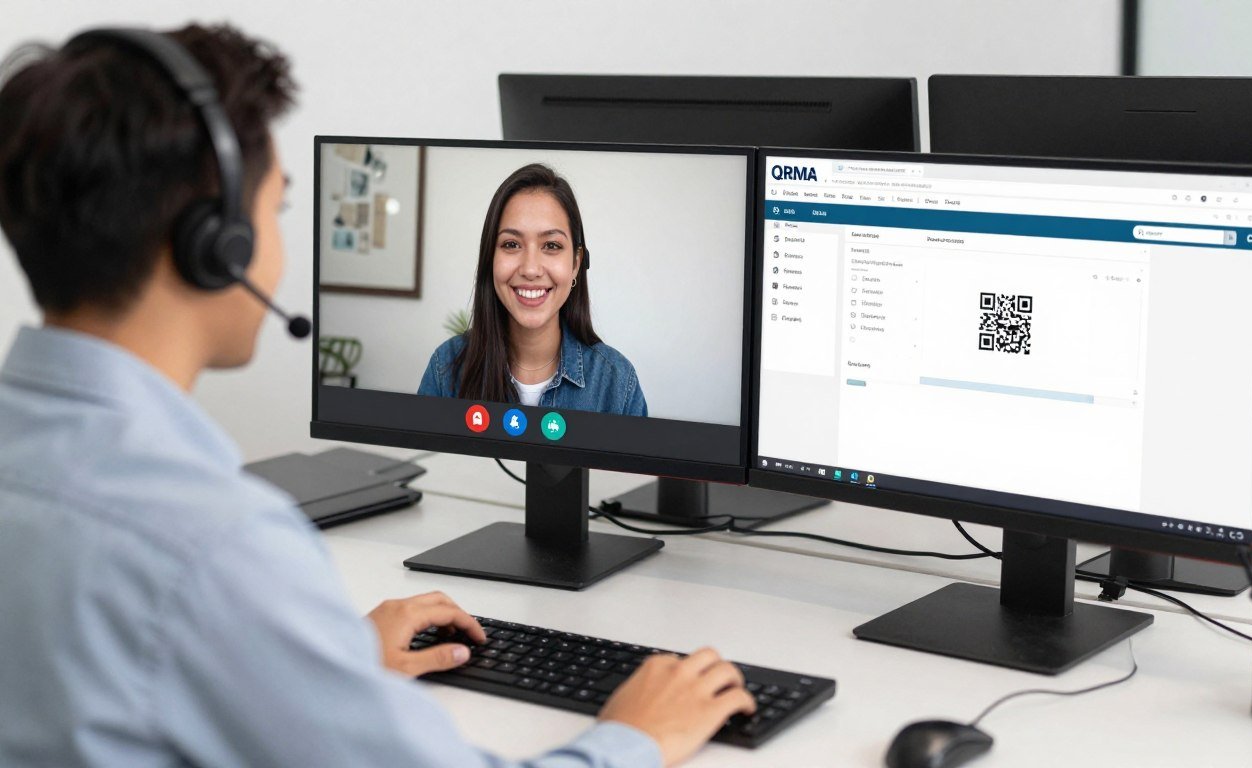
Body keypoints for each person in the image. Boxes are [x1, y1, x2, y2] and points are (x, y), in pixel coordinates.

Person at [0, 24, 751, 767]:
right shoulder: (218, 547)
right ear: (215, 241)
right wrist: (637, 737)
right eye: (276, 209)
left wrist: (316, 662)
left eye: (553, 245)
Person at [417, 164, 648, 416]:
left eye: (551, 245)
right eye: (512, 244)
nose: (530, 269)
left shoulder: (617, 382)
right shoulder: (446, 368)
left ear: (576, 264)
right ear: (489, 259)